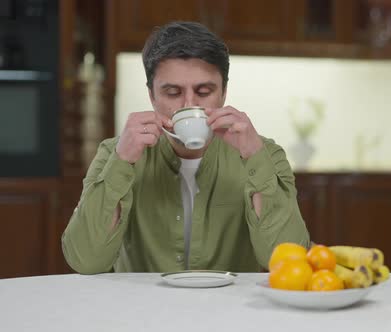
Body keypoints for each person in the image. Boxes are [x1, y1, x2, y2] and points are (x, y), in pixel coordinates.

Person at [62, 21, 310, 274]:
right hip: (141, 310)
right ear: (152, 96)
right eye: (172, 92)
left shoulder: (265, 153)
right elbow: (86, 261)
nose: (188, 104)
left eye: (204, 91)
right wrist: (121, 162)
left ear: (224, 93)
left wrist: (255, 158)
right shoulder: (114, 153)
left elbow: (288, 262)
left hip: (232, 310)